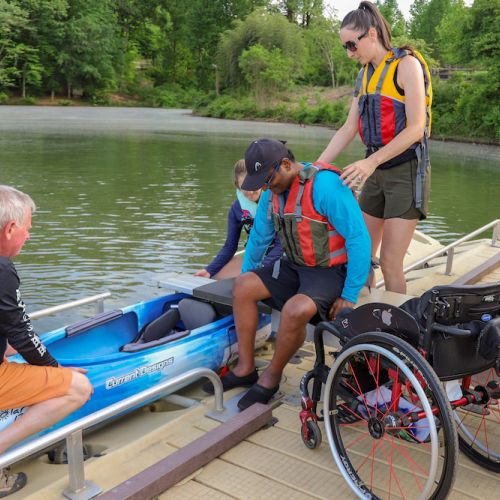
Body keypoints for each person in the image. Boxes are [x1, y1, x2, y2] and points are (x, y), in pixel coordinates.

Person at [204, 138, 371, 410]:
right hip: (294, 265)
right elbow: (259, 238)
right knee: (243, 286)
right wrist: (248, 277)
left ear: (285, 164)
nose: (265, 188)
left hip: (330, 272)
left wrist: (350, 295)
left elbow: (358, 238)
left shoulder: (326, 186)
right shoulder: (271, 193)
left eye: (268, 180)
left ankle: (271, 377)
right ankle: (246, 368)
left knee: (295, 309)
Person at [317, 1, 432, 294]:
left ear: (370, 34)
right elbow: (348, 128)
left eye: (352, 45)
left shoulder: (407, 65)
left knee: (391, 263)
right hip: (375, 171)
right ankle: (361, 318)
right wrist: (315, 168)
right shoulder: (364, 74)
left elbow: (416, 128)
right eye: (345, 47)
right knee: (362, 256)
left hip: (407, 171)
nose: (349, 53)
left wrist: (370, 163)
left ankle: (396, 333)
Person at [0, 185, 92, 497]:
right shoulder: (2, 269)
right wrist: (57, 371)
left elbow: (13, 333)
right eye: (27, 229)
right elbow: (23, 336)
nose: (28, 236)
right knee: (79, 388)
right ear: (11, 228)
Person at [194, 159, 282, 279]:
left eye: (254, 184)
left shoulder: (277, 201)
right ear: (237, 186)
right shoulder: (237, 209)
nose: (251, 191)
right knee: (215, 278)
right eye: (245, 186)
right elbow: (230, 246)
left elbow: (282, 244)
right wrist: (210, 270)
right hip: (255, 254)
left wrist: (261, 269)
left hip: (281, 254)